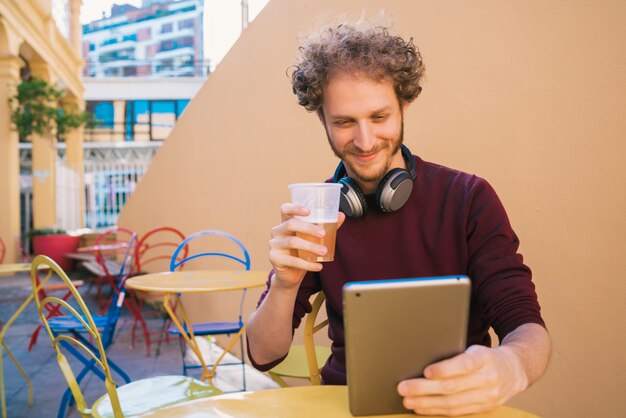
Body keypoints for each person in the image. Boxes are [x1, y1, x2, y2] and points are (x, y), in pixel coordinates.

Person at [246, 20, 551, 416]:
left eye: (379, 117)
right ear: (322, 119)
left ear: (404, 106)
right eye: (343, 122)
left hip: (452, 407)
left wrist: (510, 367)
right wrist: (285, 287)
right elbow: (263, 354)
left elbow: (527, 328)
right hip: (347, 404)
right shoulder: (318, 213)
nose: (365, 141)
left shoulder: (468, 198)